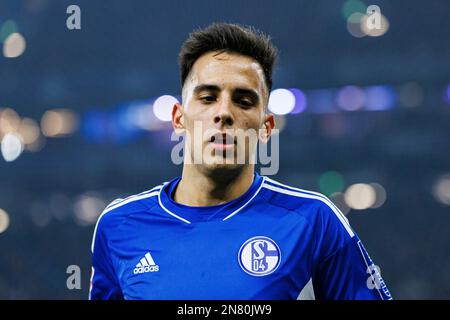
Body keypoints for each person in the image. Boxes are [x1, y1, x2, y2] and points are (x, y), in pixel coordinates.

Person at [89, 22, 392, 300]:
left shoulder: (316, 222)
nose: (224, 113)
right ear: (179, 119)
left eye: (244, 101)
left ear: (266, 127)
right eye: (208, 97)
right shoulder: (118, 225)